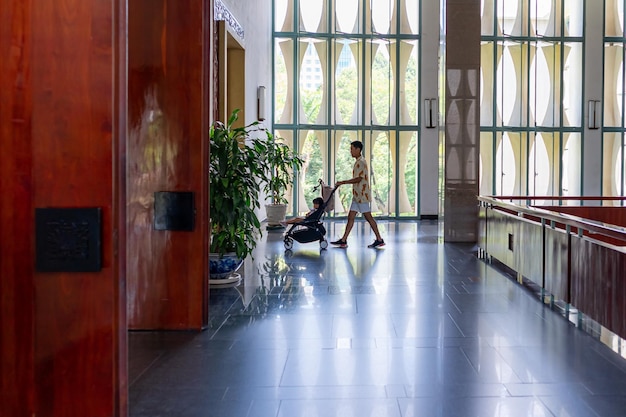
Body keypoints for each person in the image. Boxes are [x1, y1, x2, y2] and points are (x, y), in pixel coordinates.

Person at [331, 140, 385, 248]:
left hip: (362, 196)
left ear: (358, 149)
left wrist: (343, 182)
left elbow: (359, 179)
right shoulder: (358, 161)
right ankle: (343, 240)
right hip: (357, 195)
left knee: (369, 218)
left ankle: (379, 239)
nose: (350, 151)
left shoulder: (361, 162)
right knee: (351, 217)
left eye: (352, 149)